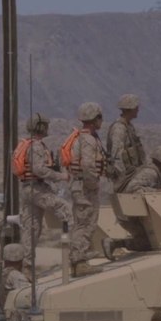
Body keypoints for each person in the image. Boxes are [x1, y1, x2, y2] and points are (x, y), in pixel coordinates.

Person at [13, 113, 72, 267]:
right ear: (40, 127)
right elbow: (39, 169)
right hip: (36, 189)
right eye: (45, 125)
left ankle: (26, 266)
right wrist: (60, 176)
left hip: (28, 189)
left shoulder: (26, 144)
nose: (47, 128)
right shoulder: (37, 146)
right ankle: (76, 253)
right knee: (65, 209)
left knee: (31, 229)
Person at [103, 146, 161, 258]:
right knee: (149, 243)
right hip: (131, 215)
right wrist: (156, 191)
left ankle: (115, 244)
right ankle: (114, 243)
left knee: (148, 242)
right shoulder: (151, 173)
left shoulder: (148, 170)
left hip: (129, 213)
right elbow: (133, 189)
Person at [66, 102, 106, 276]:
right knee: (85, 223)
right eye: (99, 117)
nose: (101, 121)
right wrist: (93, 184)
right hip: (85, 187)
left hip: (80, 185)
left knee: (82, 222)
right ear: (94, 119)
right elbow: (88, 164)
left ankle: (78, 261)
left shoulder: (82, 137)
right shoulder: (88, 139)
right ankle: (80, 262)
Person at [106, 93, 146, 191]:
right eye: (136, 107)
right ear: (130, 108)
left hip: (132, 174)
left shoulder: (128, 126)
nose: (138, 109)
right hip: (125, 177)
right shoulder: (119, 128)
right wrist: (122, 179)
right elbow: (117, 156)